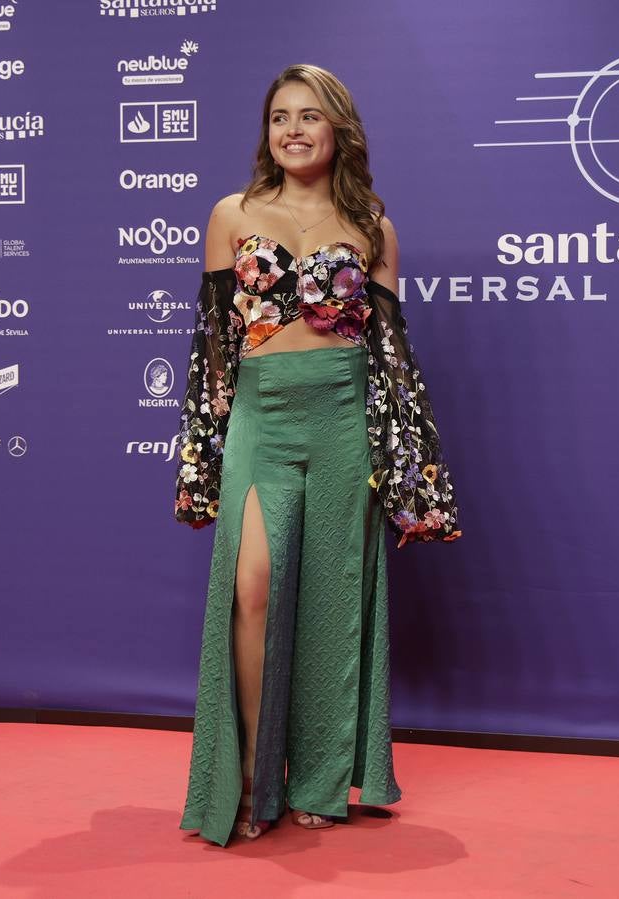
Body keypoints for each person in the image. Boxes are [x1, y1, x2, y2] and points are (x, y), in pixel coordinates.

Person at [173, 63, 462, 847]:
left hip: (342, 419)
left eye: (308, 116)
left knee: (333, 603)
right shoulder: (231, 214)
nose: (292, 130)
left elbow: (392, 357)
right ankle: (247, 778)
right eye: (279, 117)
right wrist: (200, 463)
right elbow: (212, 348)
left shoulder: (372, 225)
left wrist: (414, 477)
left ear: (339, 129)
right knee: (253, 590)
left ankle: (318, 780)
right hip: (260, 419)